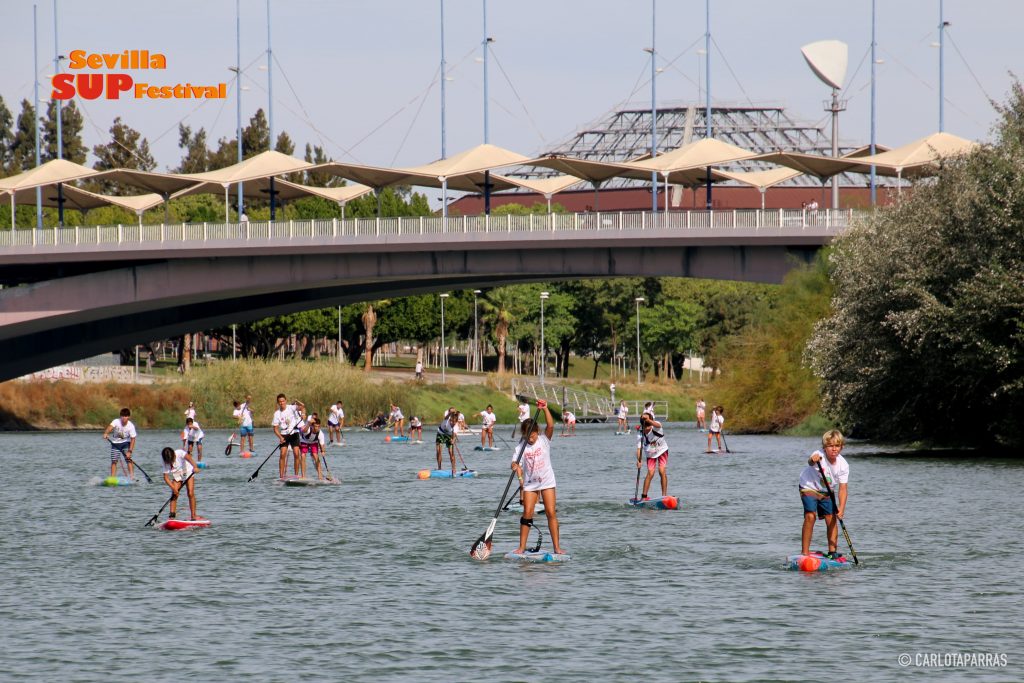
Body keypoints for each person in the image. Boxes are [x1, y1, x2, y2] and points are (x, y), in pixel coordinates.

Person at [510, 400, 564, 556]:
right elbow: (515, 462)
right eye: (527, 436)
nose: (530, 438)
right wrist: (514, 465)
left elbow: (551, 426)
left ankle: (557, 548)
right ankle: (521, 547)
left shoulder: (544, 440)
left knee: (550, 512)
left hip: (547, 482)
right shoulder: (521, 446)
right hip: (530, 484)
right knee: (527, 513)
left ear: (537, 432)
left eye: (532, 435)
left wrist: (545, 408)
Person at [799, 430, 850, 559]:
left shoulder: (843, 465)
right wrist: (813, 459)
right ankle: (804, 553)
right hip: (808, 486)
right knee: (810, 516)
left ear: (841, 447)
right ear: (824, 447)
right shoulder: (818, 455)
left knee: (831, 518)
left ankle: (832, 552)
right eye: (830, 446)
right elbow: (810, 461)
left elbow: (843, 489)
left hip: (827, 490)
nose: (834, 449)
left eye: (837, 446)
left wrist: (841, 509)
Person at [161, 446, 201, 520]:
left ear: (173, 455)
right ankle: (172, 517)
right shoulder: (164, 460)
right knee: (174, 494)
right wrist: (173, 488)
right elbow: (166, 477)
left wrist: (195, 467)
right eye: (168, 462)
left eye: (171, 460)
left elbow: (190, 459)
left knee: (190, 493)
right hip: (177, 474)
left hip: (187, 471)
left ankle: (193, 516)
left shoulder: (180, 453)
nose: (170, 463)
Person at [637, 414, 669, 499]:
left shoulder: (656, 426)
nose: (646, 429)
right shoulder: (640, 433)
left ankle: (664, 496)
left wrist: (648, 420)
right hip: (650, 454)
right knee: (650, 473)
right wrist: (639, 461)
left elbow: (657, 424)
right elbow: (639, 449)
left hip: (662, 451)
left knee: (662, 471)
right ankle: (644, 496)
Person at [272, 394, 303, 479]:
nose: (282, 403)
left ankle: (296, 475)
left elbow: (302, 406)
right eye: (280, 402)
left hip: (294, 432)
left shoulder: (291, 407)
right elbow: (275, 429)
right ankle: (281, 476)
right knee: (282, 454)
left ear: (286, 401)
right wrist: (280, 438)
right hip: (284, 434)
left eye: (283, 401)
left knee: (296, 453)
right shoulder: (277, 414)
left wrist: (303, 413)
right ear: (278, 403)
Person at [102, 407, 137, 479]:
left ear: (129, 417)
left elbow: (133, 439)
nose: (124, 418)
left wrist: (130, 451)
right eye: (122, 416)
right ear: (120, 416)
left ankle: (132, 477)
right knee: (114, 461)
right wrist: (106, 433)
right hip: (115, 444)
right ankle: (112, 478)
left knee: (128, 460)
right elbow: (110, 427)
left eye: (126, 416)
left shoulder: (131, 426)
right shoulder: (116, 421)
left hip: (126, 443)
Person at [299, 415, 329, 480]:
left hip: (313, 443)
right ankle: (303, 476)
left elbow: (322, 444)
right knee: (303, 456)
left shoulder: (320, 434)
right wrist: (309, 423)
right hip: (304, 441)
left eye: (318, 426)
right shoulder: (307, 430)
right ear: (312, 426)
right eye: (315, 426)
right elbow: (304, 431)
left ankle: (320, 477)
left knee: (316, 456)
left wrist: (323, 451)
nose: (316, 428)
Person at [435, 409, 460, 474]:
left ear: (456, 421)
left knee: (451, 452)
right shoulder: (446, 420)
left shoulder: (456, 426)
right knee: (439, 451)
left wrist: (453, 440)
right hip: (440, 433)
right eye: (452, 422)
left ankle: (453, 468)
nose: (453, 423)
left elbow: (454, 436)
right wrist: (450, 413)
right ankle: (439, 468)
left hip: (449, 435)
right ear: (450, 420)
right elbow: (447, 416)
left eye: (454, 422)